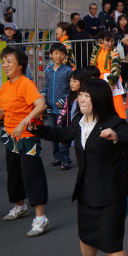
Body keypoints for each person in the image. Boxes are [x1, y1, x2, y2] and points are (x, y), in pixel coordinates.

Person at [31, 78, 128, 256]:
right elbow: (63, 135)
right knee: (86, 234)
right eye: (80, 95)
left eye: (86, 96)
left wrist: (116, 137)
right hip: (86, 189)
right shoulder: (80, 122)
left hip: (111, 192)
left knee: (112, 243)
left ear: (98, 99)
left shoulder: (114, 122)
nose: (80, 99)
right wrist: (39, 129)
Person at [0, 47, 49, 236]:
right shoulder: (6, 86)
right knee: (14, 173)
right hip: (11, 137)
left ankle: (41, 218)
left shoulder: (26, 84)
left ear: (20, 65)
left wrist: (25, 121)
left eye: (9, 61)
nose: (5, 65)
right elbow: (2, 112)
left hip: (28, 137)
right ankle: (20, 206)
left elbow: (40, 105)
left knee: (32, 174)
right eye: (4, 61)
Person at [42, 42, 73, 170]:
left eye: (61, 54)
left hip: (62, 109)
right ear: (51, 55)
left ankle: (66, 160)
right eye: (56, 53)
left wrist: (65, 99)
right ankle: (57, 157)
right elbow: (47, 86)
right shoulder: (48, 70)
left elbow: (72, 89)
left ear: (65, 56)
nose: (59, 56)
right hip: (49, 108)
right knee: (52, 134)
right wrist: (42, 95)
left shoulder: (68, 70)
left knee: (62, 134)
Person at [89, 31, 126, 119]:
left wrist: (112, 82)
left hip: (112, 78)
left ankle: (121, 122)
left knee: (117, 103)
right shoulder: (96, 49)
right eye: (107, 41)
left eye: (112, 41)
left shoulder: (114, 52)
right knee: (100, 102)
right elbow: (92, 64)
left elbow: (116, 67)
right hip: (99, 78)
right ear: (102, 40)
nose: (110, 44)